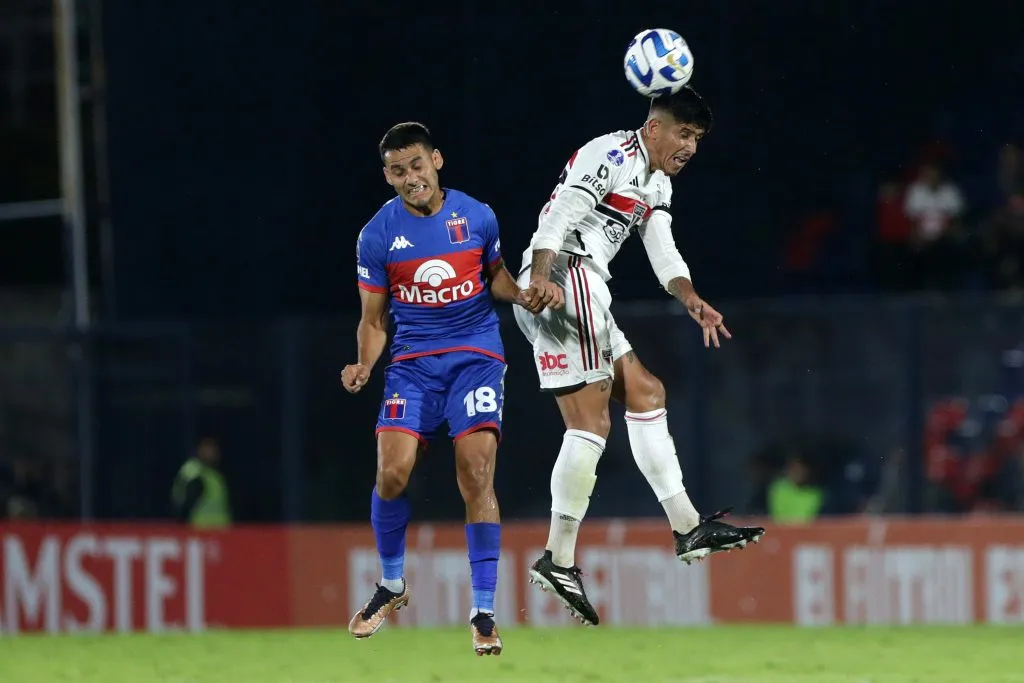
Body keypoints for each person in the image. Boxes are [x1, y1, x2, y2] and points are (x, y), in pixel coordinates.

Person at [515, 86, 765, 625]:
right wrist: (540, 278)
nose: (690, 147)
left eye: (697, 138)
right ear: (654, 127)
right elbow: (557, 214)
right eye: (683, 133)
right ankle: (558, 558)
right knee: (590, 424)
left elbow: (661, 245)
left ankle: (687, 526)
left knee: (648, 392)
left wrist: (691, 298)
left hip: (583, 287)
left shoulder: (656, 181)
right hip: (563, 276)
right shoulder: (610, 155)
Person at [341, 122, 548, 655]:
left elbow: (494, 276)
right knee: (391, 473)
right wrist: (365, 362)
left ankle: (483, 612)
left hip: (476, 357)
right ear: (386, 176)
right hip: (411, 365)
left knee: (476, 470)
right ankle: (391, 585)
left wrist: (520, 295)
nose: (410, 178)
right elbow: (373, 317)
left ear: (437, 160)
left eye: (416, 165)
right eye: (396, 170)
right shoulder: (376, 235)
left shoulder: (477, 216)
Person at [171, 437, 231, 528]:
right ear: (199, 450)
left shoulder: (214, 475)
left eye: (214, 450)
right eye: (207, 449)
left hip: (219, 532)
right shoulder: (194, 472)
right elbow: (184, 506)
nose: (212, 453)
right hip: (200, 531)